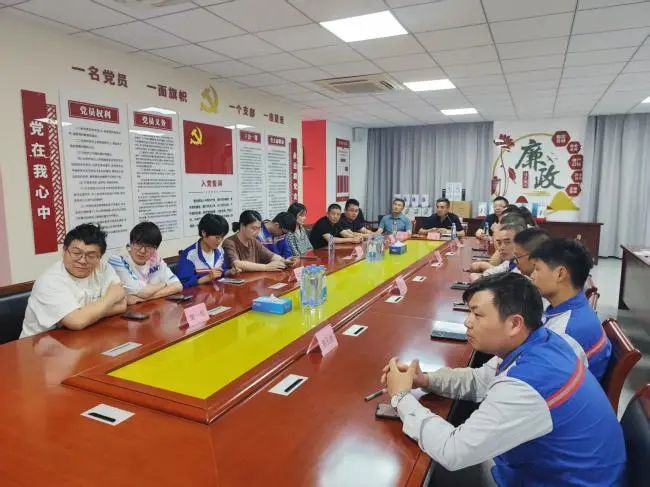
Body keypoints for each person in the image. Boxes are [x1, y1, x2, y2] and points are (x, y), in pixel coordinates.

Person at [381, 273, 625, 486]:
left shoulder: (528, 385)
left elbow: (452, 451)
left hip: (559, 480)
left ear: (514, 323)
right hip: (550, 469)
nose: (467, 322)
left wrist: (401, 398)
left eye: (477, 314)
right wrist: (425, 380)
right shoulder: (545, 340)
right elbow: (479, 380)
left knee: (416, 470)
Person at [20, 224, 126, 338]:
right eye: (76, 253)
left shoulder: (103, 268)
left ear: (99, 257)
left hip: (82, 336)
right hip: (38, 343)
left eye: (91, 255)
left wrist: (88, 314)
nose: (82, 260)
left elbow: (122, 304)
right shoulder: (50, 280)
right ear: (64, 251)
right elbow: (77, 321)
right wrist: (110, 298)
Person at [530, 238, 612, 382]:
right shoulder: (573, 308)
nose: (532, 275)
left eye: (537, 269)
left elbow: (540, 380)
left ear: (560, 274)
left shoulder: (566, 332)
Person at [109, 222, 182, 304]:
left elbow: (178, 286)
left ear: (155, 248)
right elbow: (143, 292)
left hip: (151, 305)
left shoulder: (155, 257)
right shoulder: (117, 260)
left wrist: (145, 299)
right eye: (138, 244)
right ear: (131, 243)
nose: (142, 251)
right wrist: (164, 284)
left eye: (149, 246)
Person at [223, 210, 297, 271]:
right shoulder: (229, 242)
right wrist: (266, 267)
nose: (257, 232)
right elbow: (237, 263)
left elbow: (270, 255)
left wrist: (284, 261)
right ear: (242, 225)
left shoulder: (253, 241)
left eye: (258, 229)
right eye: (254, 228)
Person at [176, 213, 236, 288]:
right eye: (217, 237)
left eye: (222, 237)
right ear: (204, 233)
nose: (220, 241)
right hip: (198, 294)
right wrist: (207, 278)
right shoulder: (189, 255)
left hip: (217, 292)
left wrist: (230, 272)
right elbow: (183, 284)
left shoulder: (220, 251)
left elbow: (222, 271)